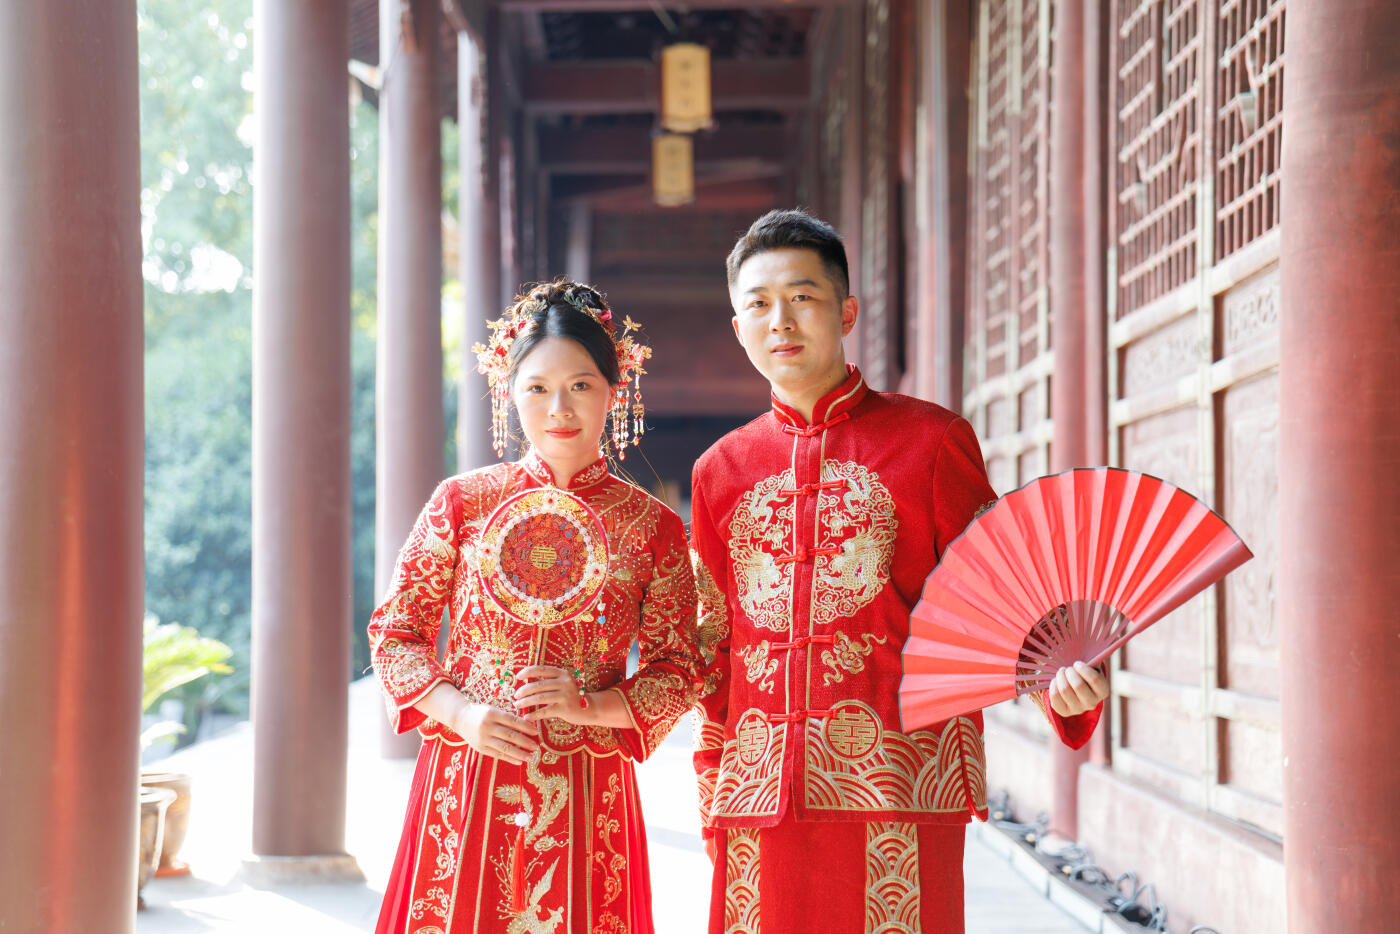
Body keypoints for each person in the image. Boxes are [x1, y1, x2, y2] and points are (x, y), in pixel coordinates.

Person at [688, 210, 1109, 933]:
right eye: (757, 304)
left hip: (899, 786)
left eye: (802, 297)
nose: (779, 321)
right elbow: (713, 646)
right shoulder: (720, 471)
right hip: (760, 794)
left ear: (846, 311)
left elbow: (999, 592)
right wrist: (712, 781)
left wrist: (1064, 686)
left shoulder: (931, 441)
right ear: (738, 326)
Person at [369, 279, 703, 934]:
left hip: (590, 787)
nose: (560, 408)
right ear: (509, 392)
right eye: (538, 388)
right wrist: (461, 712)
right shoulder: (461, 504)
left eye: (581, 384)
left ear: (617, 387)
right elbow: (394, 634)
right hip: (469, 776)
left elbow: (679, 669)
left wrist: (591, 706)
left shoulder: (653, 527)